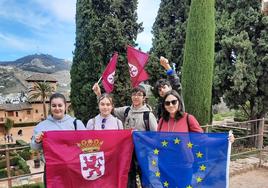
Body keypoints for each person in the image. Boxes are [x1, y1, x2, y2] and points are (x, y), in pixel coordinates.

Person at [93, 83, 158, 188]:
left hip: (143, 152)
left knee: (145, 177)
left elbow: (155, 137)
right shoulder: (127, 110)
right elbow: (108, 108)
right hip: (128, 151)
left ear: (144, 97)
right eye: (134, 94)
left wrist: (139, 135)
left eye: (139, 94)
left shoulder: (148, 115)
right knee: (129, 176)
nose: (136, 97)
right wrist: (99, 94)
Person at [30, 93, 86, 187]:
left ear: (65, 106)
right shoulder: (41, 126)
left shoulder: (76, 124)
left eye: (60, 105)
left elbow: (86, 144)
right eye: (54, 105)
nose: (57, 108)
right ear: (50, 107)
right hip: (53, 171)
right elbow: (34, 147)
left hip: (74, 169)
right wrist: (37, 140)